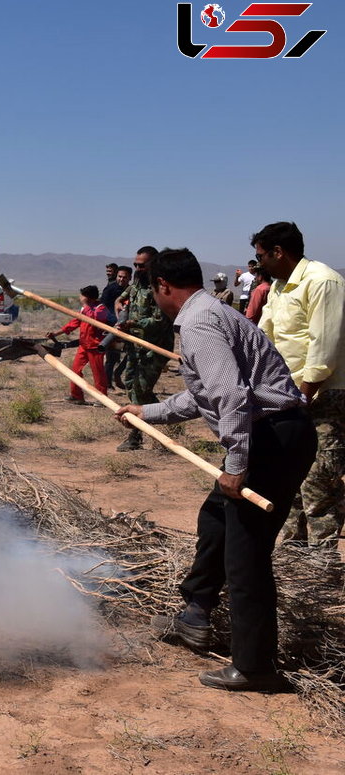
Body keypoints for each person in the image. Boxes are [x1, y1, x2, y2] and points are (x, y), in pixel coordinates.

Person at [116, 247, 316, 692]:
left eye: (155, 291)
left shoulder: (200, 323)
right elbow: (201, 396)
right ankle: (195, 615)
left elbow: (232, 398)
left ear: (163, 287)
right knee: (216, 521)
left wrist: (238, 465)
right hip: (272, 432)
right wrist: (146, 412)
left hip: (273, 438)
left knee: (245, 555)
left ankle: (254, 667)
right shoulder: (209, 314)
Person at [253, 221, 345, 547]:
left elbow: (324, 349)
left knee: (319, 482)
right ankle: (294, 558)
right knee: (287, 475)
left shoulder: (323, 282)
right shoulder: (280, 287)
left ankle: (323, 566)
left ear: (279, 252)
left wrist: (303, 398)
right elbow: (264, 336)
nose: (259, 262)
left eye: (262, 255)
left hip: (323, 396)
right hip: (287, 396)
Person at [115, 246, 175, 451]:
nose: (137, 269)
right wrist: (118, 305)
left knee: (141, 390)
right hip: (135, 345)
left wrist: (132, 323)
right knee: (131, 384)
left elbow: (159, 321)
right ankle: (167, 417)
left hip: (154, 347)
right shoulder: (136, 285)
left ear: (153, 264)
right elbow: (123, 297)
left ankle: (136, 435)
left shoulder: (160, 287)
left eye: (141, 265)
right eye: (135, 265)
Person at [47, 285, 111, 403]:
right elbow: (75, 322)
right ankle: (76, 395)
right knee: (75, 370)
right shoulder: (84, 309)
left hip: (95, 347)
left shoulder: (101, 309)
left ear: (88, 297)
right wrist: (56, 333)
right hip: (84, 345)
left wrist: (86, 306)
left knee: (98, 373)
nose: (80, 298)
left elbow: (94, 320)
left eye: (82, 297)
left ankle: (102, 399)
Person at [101, 266, 131, 389]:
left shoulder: (131, 290)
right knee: (112, 357)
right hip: (112, 328)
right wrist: (116, 321)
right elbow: (103, 308)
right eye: (119, 276)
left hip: (129, 327)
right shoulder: (109, 290)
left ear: (129, 278)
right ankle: (107, 383)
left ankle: (117, 374)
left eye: (124, 277)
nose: (121, 279)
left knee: (131, 354)